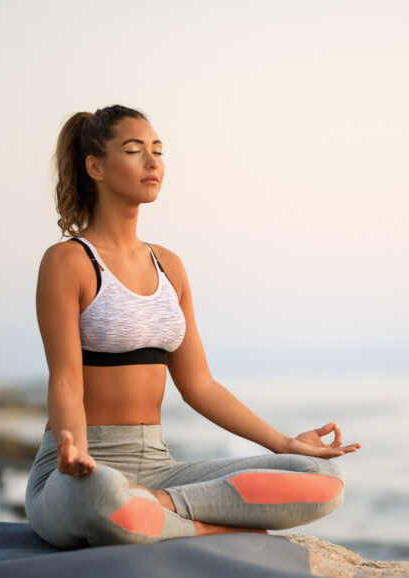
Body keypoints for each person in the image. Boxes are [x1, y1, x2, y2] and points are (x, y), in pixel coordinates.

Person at [25, 105, 361, 549]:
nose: (152, 163)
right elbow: (66, 381)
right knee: (104, 496)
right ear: (96, 167)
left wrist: (284, 444)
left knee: (323, 478)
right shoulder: (67, 261)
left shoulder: (170, 267)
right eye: (134, 151)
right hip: (80, 467)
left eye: (158, 152)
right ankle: (208, 526)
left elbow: (199, 385)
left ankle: (157, 508)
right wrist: (76, 454)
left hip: (160, 469)